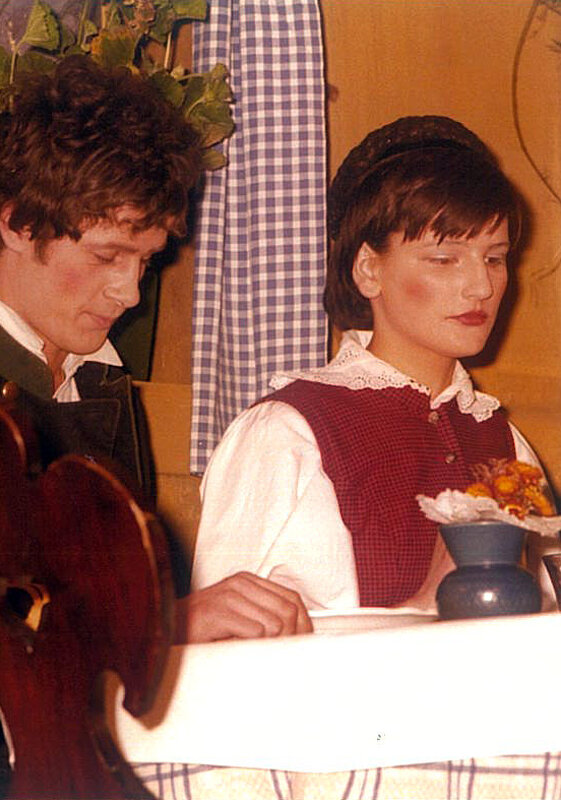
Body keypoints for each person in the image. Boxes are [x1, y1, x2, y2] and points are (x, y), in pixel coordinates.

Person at [0, 56, 307, 799]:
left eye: (145, 261)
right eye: (107, 256)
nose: (129, 292)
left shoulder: (99, 383)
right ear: (16, 223)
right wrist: (157, 622)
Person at [192, 115, 551, 612]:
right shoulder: (288, 434)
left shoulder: (503, 441)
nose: (481, 287)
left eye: (494, 258)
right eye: (444, 259)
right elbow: (239, 646)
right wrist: (426, 606)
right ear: (368, 269)